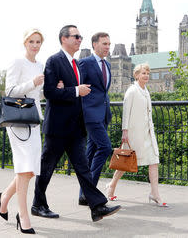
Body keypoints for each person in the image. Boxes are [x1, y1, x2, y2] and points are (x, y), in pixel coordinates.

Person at [31, 25, 121, 222]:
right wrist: (73, 90)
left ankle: (97, 207)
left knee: (83, 168)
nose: (80, 40)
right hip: (58, 126)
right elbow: (50, 92)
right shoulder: (55, 61)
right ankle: (38, 204)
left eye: (81, 37)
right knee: (47, 166)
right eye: (76, 36)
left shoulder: (74, 63)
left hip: (76, 126)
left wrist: (71, 88)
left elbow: (73, 90)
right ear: (64, 39)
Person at [0, 29, 45, 234]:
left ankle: (4, 197)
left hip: (33, 119)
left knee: (31, 169)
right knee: (24, 169)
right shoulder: (17, 62)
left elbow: (37, 95)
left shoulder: (40, 65)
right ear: (25, 43)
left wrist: (45, 88)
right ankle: (23, 215)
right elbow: (9, 91)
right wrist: (32, 83)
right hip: (17, 120)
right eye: (31, 41)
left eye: (38, 42)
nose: (35, 45)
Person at [106, 63, 168, 207]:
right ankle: (111, 186)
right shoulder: (132, 91)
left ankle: (155, 193)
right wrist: (125, 131)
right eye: (143, 73)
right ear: (136, 75)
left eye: (147, 73)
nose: (146, 76)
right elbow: (126, 111)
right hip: (134, 132)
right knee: (126, 162)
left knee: (154, 160)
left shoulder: (146, 91)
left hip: (147, 132)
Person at [77, 32, 115, 205]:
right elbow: (78, 87)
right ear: (94, 44)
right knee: (105, 147)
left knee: (91, 153)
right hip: (90, 114)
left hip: (103, 114)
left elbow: (103, 90)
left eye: (109, 44)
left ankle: (83, 194)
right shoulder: (85, 63)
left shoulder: (107, 64)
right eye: (104, 44)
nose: (108, 47)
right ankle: (90, 190)